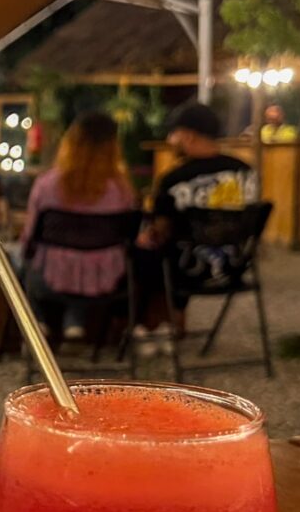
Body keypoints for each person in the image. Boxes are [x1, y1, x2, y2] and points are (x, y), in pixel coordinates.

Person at [135, 102, 258, 350]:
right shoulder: (245, 171)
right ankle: (174, 323)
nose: (171, 140)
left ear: (188, 135)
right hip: (234, 267)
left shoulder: (174, 179)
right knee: (181, 245)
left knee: (143, 252)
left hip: (187, 269)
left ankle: (152, 326)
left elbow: (161, 229)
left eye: (174, 134)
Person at [19, 112, 136, 339]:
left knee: (19, 258)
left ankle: (38, 320)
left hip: (48, 282)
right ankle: (74, 321)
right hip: (106, 283)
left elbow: (29, 239)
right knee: (87, 259)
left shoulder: (47, 185)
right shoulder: (122, 191)